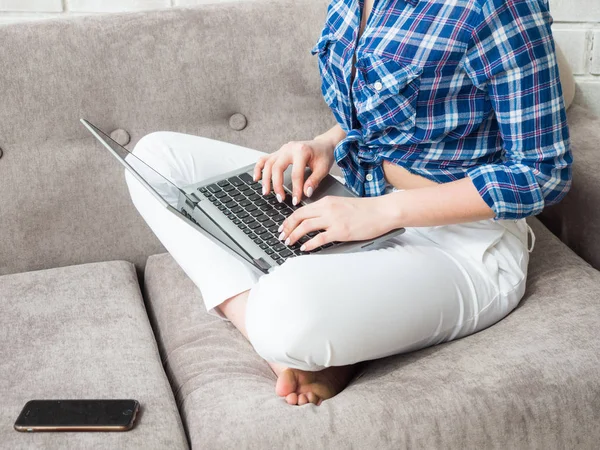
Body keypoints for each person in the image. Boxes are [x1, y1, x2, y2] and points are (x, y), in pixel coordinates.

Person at [125, 0, 572, 407]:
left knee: (285, 310)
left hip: (463, 243)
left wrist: (379, 214)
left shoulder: (498, 6)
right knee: (154, 160)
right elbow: (383, 109)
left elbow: (542, 173)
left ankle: (310, 334)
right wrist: (325, 143)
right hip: (356, 200)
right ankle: (296, 348)